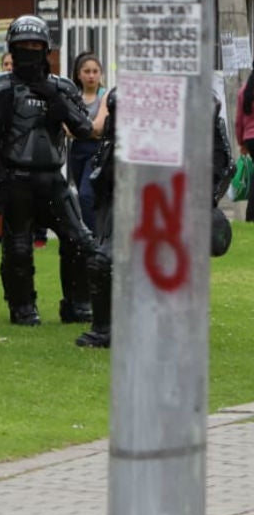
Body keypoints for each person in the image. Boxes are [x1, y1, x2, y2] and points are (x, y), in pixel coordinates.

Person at [76, 88, 235, 348]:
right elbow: (108, 152)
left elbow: (225, 162)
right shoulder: (125, 98)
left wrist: (202, 203)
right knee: (102, 262)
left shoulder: (201, 101)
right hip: (129, 195)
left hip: (173, 199)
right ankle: (104, 329)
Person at [0, 15, 97, 327]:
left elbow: (84, 128)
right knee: (19, 247)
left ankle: (78, 305)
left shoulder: (62, 87)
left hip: (53, 178)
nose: (29, 51)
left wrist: (58, 102)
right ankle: (23, 307)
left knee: (79, 240)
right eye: (23, 46)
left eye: (35, 46)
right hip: (16, 179)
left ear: (45, 49)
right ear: (12, 48)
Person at [67, 52, 105, 229]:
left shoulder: (104, 95)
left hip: (98, 151)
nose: (91, 75)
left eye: (95, 71)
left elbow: (100, 127)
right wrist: (89, 131)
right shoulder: (74, 97)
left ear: (100, 74)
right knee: (82, 196)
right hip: (77, 151)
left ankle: (92, 237)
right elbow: (66, 128)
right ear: (79, 74)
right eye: (87, 71)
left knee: (86, 194)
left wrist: (80, 129)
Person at [238, 74, 254, 223]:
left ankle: (250, 217)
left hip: (250, 139)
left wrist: (241, 143)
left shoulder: (244, 91)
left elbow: (239, 121)